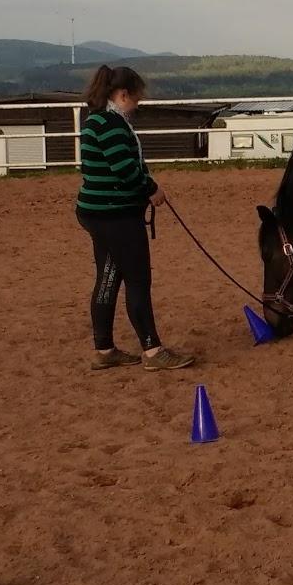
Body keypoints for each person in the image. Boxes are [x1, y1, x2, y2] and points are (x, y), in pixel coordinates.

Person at [75, 64, 195, 371]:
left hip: (96, 213)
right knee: (138, 281)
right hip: (117, 216)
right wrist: (152, 190)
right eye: (137, 98)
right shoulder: (113, 124)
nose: (138, 104)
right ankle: (152, 350)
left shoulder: (94, 120)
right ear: (123, 94)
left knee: (107, 278)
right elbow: (126, 170)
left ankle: (104, 350)